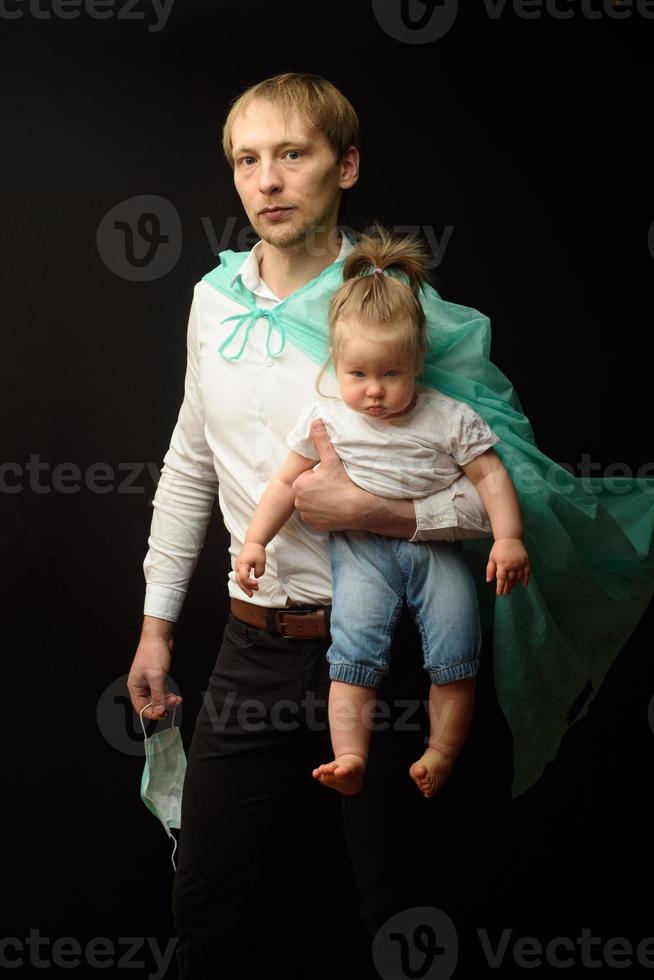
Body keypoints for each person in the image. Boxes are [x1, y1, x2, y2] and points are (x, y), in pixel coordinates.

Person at [127, 70, 654, 977]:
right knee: (206, 903)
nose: (269, 181)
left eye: (293, 154)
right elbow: (189, 465)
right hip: (255, 642)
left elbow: (502, 488)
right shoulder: (212, 304)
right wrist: (155, 628)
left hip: (395, 641)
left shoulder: (389, 305)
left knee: (404, 908)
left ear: (348, 164)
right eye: (248, 160)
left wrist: (372, 510)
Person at [235, 225, 530, 800]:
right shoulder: (327, 419)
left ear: (417, 361)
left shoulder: (447, 416)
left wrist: (509, 538)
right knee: (352, 656)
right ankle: (350, 755)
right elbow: (281, 484)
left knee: (456, 652)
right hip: (360, 554)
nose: (374, 391)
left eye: (390, 374)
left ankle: (441, 752)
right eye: (358, 375)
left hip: (435, 552)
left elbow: (491, 476)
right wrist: (255, 542)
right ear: (337, 364)